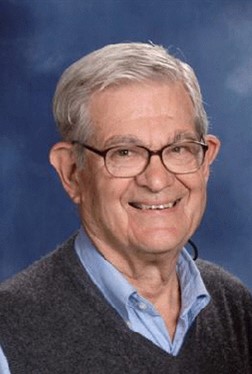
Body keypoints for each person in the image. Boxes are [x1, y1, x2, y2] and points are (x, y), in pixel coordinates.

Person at [0, 42, 251, 374]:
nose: (158, 180)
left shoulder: (236, 308)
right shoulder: (9, 335)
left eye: (178, 148)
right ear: (71, 173)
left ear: (206, 161)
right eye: (124, 153)